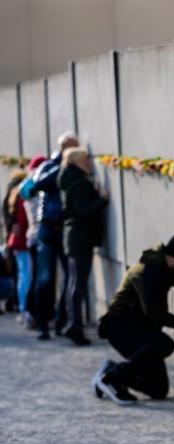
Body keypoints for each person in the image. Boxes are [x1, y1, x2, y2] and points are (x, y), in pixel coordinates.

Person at [94, 235, 174, 405]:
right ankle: (112, 378)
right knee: (165, 344)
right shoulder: (151, 271)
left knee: (158, 389)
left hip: (139, 328)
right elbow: (153, 313)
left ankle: (110, 370)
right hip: (119, 326)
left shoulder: (163, 265)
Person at [22, 132, 78, 340]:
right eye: (74, 147)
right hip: (48, 226)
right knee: (46, 277)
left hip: (60, 226)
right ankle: (43, 322)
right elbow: (35, 187)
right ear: (65, 148)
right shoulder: (51, 165)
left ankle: (60, 321)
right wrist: (61, 169)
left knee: (66, 276)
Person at [58, 147, 109, 345]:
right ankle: (74, 326)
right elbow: (83, 211)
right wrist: (102, 201)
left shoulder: (71, 179)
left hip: (74, 236)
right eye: (86, 159)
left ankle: (72, 324)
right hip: (80, 238)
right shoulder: (77, 183)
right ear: (78, 161)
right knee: (77, 284)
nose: (89, 162)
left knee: (74, 283)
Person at [21, 155, 48, 328]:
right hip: (38, 235)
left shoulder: (26, 185)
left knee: (35, 277)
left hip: (32, 235)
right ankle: (33, 314)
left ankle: (31, 313)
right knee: (39, 278)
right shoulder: (33, 186)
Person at [5, 170, 32, 325]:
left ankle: (22, 307)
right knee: (26, 276)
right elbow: (22, 222)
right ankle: (24, 308)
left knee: (23, 275)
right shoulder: (21, 197)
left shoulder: (14, 194)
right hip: (21, 242)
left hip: (16, 241)